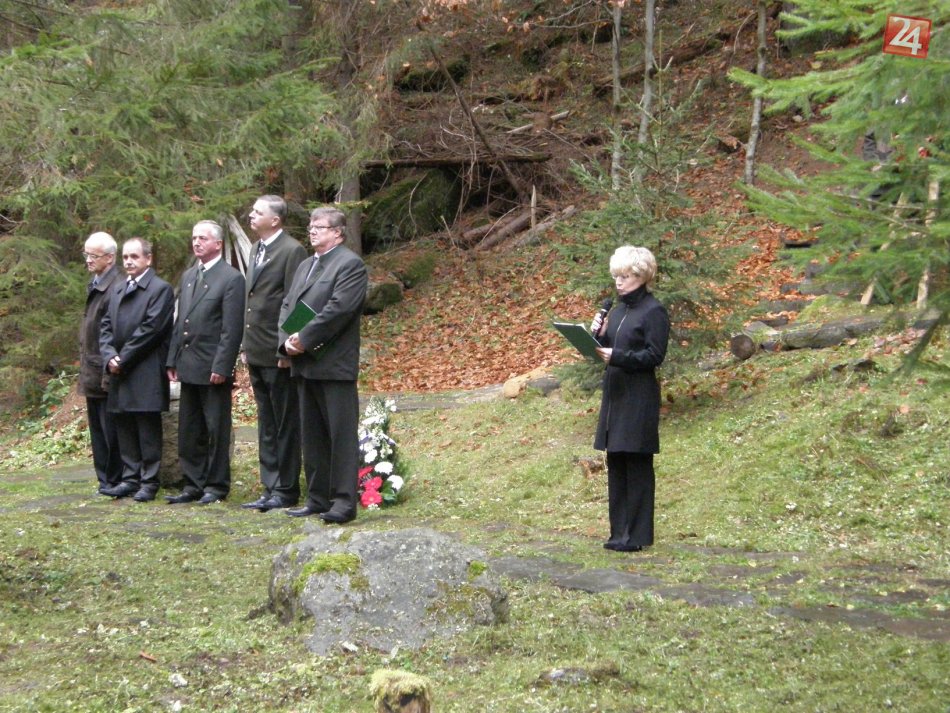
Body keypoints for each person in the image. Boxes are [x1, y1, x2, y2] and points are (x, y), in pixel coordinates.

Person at [279, 207, 367, 522]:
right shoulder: (306, 265)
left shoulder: (350, 264)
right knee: (312, 435)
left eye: (320, 227)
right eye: (311, 226)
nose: (312, 231)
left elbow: (339, 309)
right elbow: (289, 304)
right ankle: (317, 497)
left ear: (338, 232)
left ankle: (343, 501)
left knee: (340, 435)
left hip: (334, 364)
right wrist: (286, 342)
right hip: (304, 363)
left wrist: (304, 338)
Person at [591, 246, 669, 552]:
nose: (619, 282)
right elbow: (608, 349)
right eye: (616, 276)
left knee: (636, 465)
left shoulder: (653, 311)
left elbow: (654, 355)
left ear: (641, 275)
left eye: (624, 276)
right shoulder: (617, 311)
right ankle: (618, 534)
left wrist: (618, 356)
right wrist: (598, 337)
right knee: (617, 464)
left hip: (638, 397)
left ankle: (637, 536)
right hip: (615, 395)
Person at [165, 221, 246, 505]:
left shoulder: (231, 278)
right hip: (188, 364)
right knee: (190, 429)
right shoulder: (190, 275)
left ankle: (216, 485)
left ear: (218, 244)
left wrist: (222, 366)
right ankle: (193, 483)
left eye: (203, 238)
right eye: (194, 237)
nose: (196, 242)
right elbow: (181, 321)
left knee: (216, 429)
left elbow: (231, 329)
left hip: (212, 367)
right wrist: (172, 358)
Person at [240, 195, 307, 512]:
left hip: (277, 350)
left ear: (275, 220)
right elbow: (252, 300)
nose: (251, 215)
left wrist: (286, 347)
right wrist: (245, 344)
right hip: (256, 348)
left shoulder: (292, 250)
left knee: (285, 422)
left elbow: (299, 301)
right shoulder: (256, 249)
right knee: (266, 422)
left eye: (258, 212)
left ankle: (287, 488)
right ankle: (270, 486)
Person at [99, 237, 175, 502]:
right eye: (125, 257)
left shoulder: (160, 289)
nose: (129, 262)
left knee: (146, 427)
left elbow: (152, 329)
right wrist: (109, 355)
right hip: (119, 369)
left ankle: (149, 481)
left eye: (135, 256)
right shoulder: (118, 289)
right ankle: (129, 479)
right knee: (125, 425)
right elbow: (105, 326)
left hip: (145, 368)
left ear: (148, 259)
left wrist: (123, 358)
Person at [79, 231, 123, 495]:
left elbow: (114, 333)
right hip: (91, 369)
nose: (88, 260)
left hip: (105, 369)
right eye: (86, 254)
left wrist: (108, 368)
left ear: (110, 257)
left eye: (93, 255)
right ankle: (104, 480)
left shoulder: (115, 286)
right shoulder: (96, 283)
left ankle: (114, 480)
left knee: (111, 430)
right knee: (97, 430)